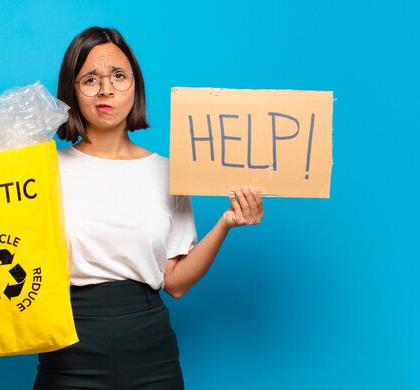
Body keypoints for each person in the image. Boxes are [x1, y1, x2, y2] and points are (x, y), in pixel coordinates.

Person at [32, 27, 264, 389]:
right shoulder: (42, 171)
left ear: (135, 86)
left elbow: (175, 282)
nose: (106, 89)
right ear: (71, 92)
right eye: (90, 79)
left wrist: (226, 224)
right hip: (69, 342)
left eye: (118, 76)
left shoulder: (171, 172)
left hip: (150, 345)